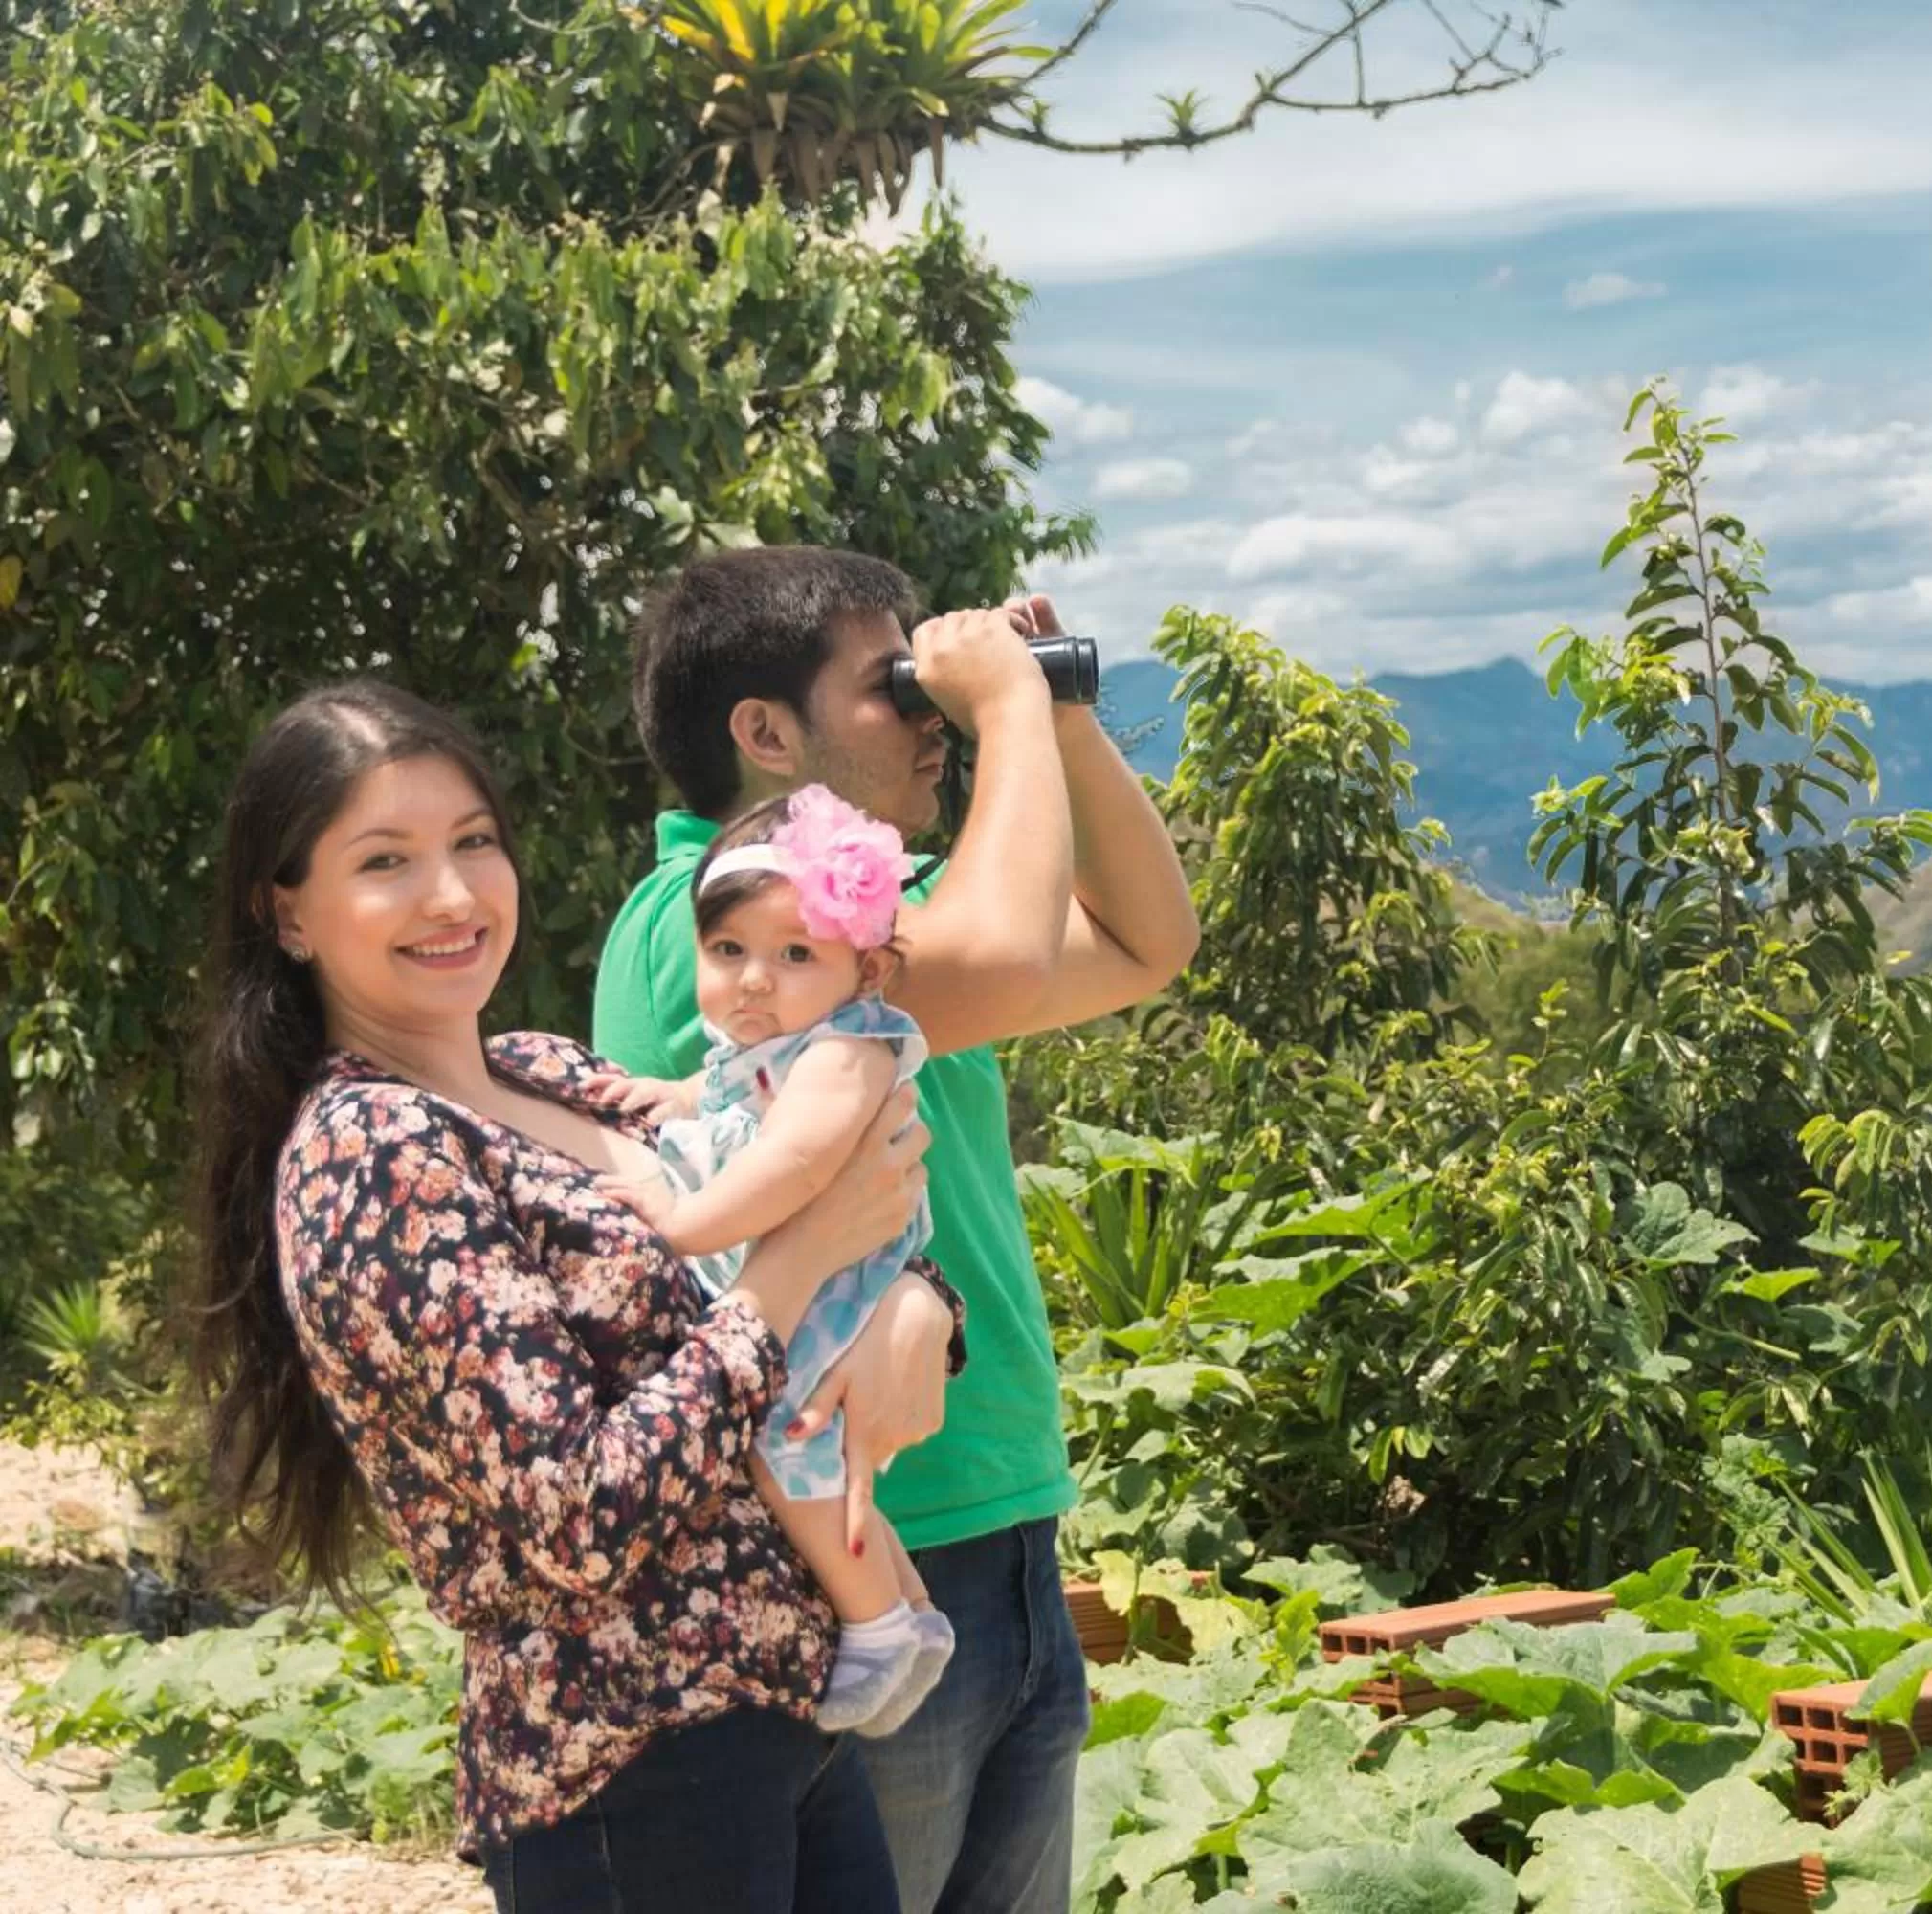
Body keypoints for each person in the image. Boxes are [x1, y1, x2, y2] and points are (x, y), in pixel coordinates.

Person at [187, 680, 965, 1912]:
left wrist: (920, 1305)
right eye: (386, 860)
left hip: (786, 1714)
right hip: (627, 1767)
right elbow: (576, 1514)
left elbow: (814, 1227)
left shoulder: (550, 1072)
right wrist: (795, 1269)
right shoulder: (377, 1157)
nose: (451, 895)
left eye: (473, 842)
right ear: (288, 912)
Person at [594, 547, 1198, 1914]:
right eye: (891, 689)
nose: (925, 713)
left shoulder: (867, 943)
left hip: (1001, 1531)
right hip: (863, 1554)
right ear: (763, 733)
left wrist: (1063, 718)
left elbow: (1149, 939)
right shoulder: (715, 935)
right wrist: (1001, 712)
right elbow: (1015, 949)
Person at [594, 786, 953, 1737]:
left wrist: (678, 1224)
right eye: (728, 950)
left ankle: (874, 1624)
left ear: (865, 968)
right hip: (830, 1264)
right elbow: (735, 1105)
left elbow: (794, 1159)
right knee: (811, 1441)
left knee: (788, 1428)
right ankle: (909, 1607)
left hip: (851, 1270)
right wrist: (673, 1097)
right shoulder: (775, 1042)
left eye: (796, 953)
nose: (754, 978)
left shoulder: (846, 1050)